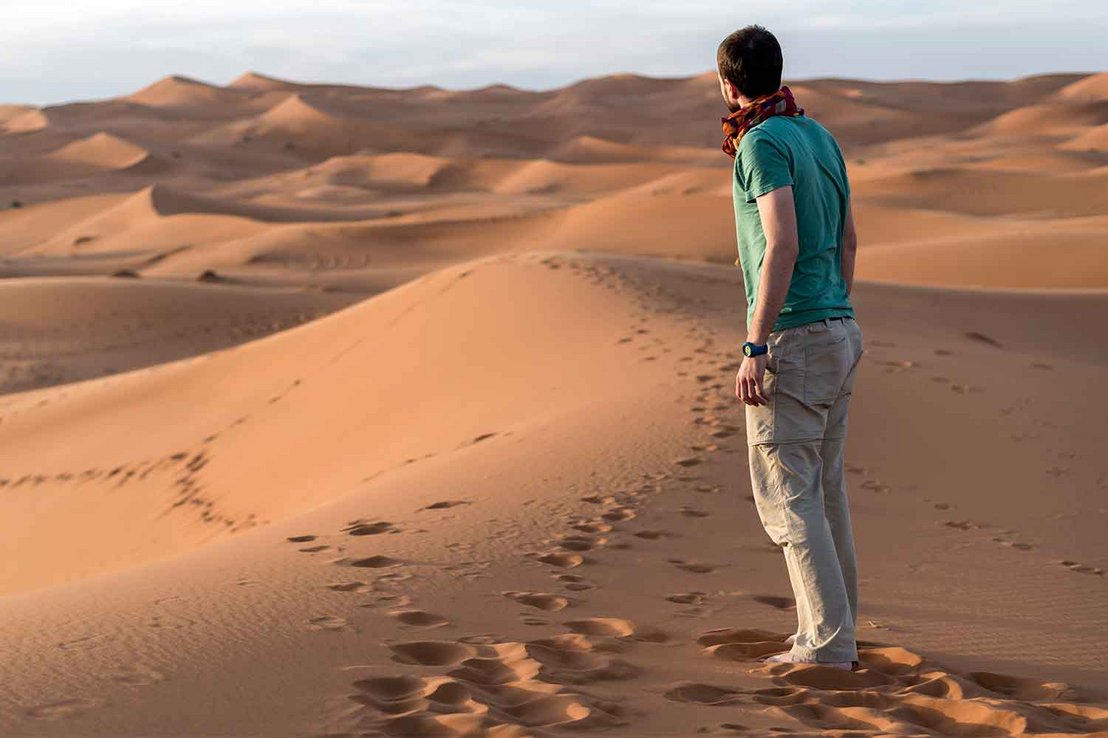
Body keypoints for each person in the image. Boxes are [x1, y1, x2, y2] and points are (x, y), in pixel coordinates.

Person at [718, 24, 864, 671]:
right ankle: (832, 633)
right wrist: (835, 310)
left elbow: (782, 241)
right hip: (838, 328)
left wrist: (757, 344)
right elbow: (850, 238)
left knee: (792, 496)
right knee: (824, 491)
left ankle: (829, 646)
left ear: (726, 84)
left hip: (796, 337)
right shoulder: (817, 135)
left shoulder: (761, 141)